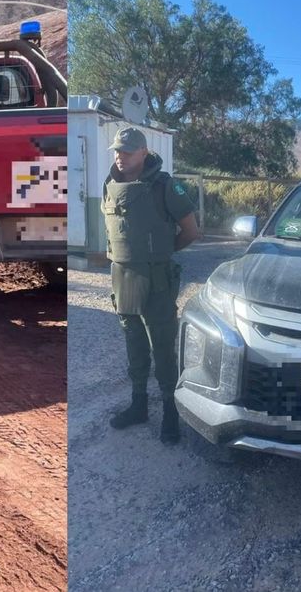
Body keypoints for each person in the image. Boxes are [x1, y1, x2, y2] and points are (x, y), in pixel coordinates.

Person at [102, 127, 199, 444]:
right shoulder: (110, 183)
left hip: (157, 278)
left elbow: (190, 231)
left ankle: (171, 411)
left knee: (163, 346)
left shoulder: (165, 185)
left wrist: (162, 254)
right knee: (134, 341)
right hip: (123, 275)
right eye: (118, 150)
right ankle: (139, 404)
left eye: (128, 150)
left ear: (143, 152)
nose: (121, 155)